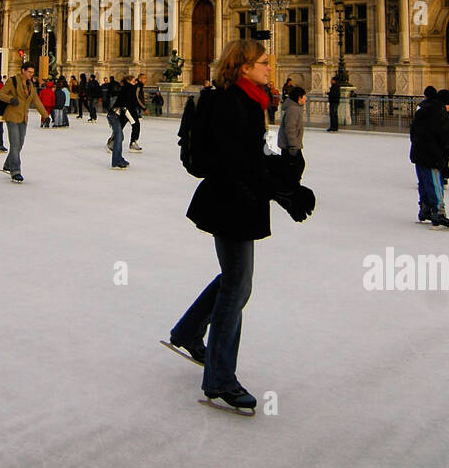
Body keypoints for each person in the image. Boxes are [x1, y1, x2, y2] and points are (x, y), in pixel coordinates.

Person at [168, 40, 315, 412]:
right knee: (237, 286)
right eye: (263, 62)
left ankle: (188, 331)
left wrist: (285, 181)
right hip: (232, 203)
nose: (270, 68)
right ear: (243, 67)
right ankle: (219, 378)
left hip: (231, 200)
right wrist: (285, 194)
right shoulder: (239, 104)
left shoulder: (245, 100)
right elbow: (240, 165)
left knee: (233, 278)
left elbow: (253, 158)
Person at [410, 87, 449, 227]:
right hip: (433, 155)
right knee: (436, 184)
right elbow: (447, 138)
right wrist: (444, 153)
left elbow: (413, 131)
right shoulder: (441, 114)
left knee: (424, 182)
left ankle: (425, 209)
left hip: (419, 152)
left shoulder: (423, 109)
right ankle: (439, 213)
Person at [0, 63, 49, 182]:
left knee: (20, 144)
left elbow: (36, 101)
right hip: (12, 116)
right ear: (23, 71)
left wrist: (45, 115)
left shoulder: (31, 86)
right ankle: (15, 171)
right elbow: (1, 94)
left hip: (23, 118)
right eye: (29, 72)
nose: (31, 74)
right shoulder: (13, 81)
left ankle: (8, 164)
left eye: (32, 72)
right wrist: (11, 99)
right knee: (15, 144)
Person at [277, 84, 306, 180]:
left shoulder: (295, 108)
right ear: (299, 97)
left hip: (291, 145)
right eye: (304, 96)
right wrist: (293, 146)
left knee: (293, 167)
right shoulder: (293, 109)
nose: (305, 99)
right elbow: (290, 129)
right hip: (290, 146)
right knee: (296, 167)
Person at [129, 73, 147, 152]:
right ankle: (133, 143)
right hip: (129, 108)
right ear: (140, 79)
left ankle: (133, 142)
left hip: (131, 107)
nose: (145, 80)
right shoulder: (138, 86)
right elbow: (137, 98)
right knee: (136, 125)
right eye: (144, 78)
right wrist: (144, 108)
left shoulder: (138, 85)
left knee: (135, 125)